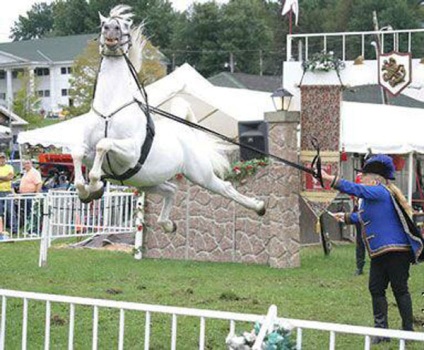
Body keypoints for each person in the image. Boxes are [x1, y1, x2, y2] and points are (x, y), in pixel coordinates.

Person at [321, 154, 424, 343]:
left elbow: (356, 189)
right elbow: (364, 217)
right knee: (376, 289)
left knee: (400, 290)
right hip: (379, 253)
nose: (361, 178)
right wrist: (344, 217)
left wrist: (330, 179)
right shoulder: (371, 198)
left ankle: (407, 332)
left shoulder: (379, 191)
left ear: (375, 179)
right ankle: (382, 333)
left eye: (364, 175)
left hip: (396, 252)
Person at [19, 159, 42, 236]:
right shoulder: (25, 172)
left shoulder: (34, 172)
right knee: (27, 214)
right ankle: (28, 229)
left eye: (28, 163)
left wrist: (37, 194)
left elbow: (39, 183)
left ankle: (35, 230)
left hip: (31, 195)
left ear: (31, 164)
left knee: (33, 213)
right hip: (24, 195)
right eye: (25, 164)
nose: (26, 165)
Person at [352, 172, 366, 276]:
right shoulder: (357, 198)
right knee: (359, 241)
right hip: (359, 218)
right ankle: (359, 266)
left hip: (370, 219)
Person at [0, 152, 15, 233]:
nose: (2, 160)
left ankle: (14, 229)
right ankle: (1, 229)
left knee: (11, 211)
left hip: (8, 192)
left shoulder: (10, 167)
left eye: (3, 158)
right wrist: (5, 178)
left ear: (5, 159)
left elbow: (10, 177)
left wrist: (2, 178)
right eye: (0, 158)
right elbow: (7, 178)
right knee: (0, 212)